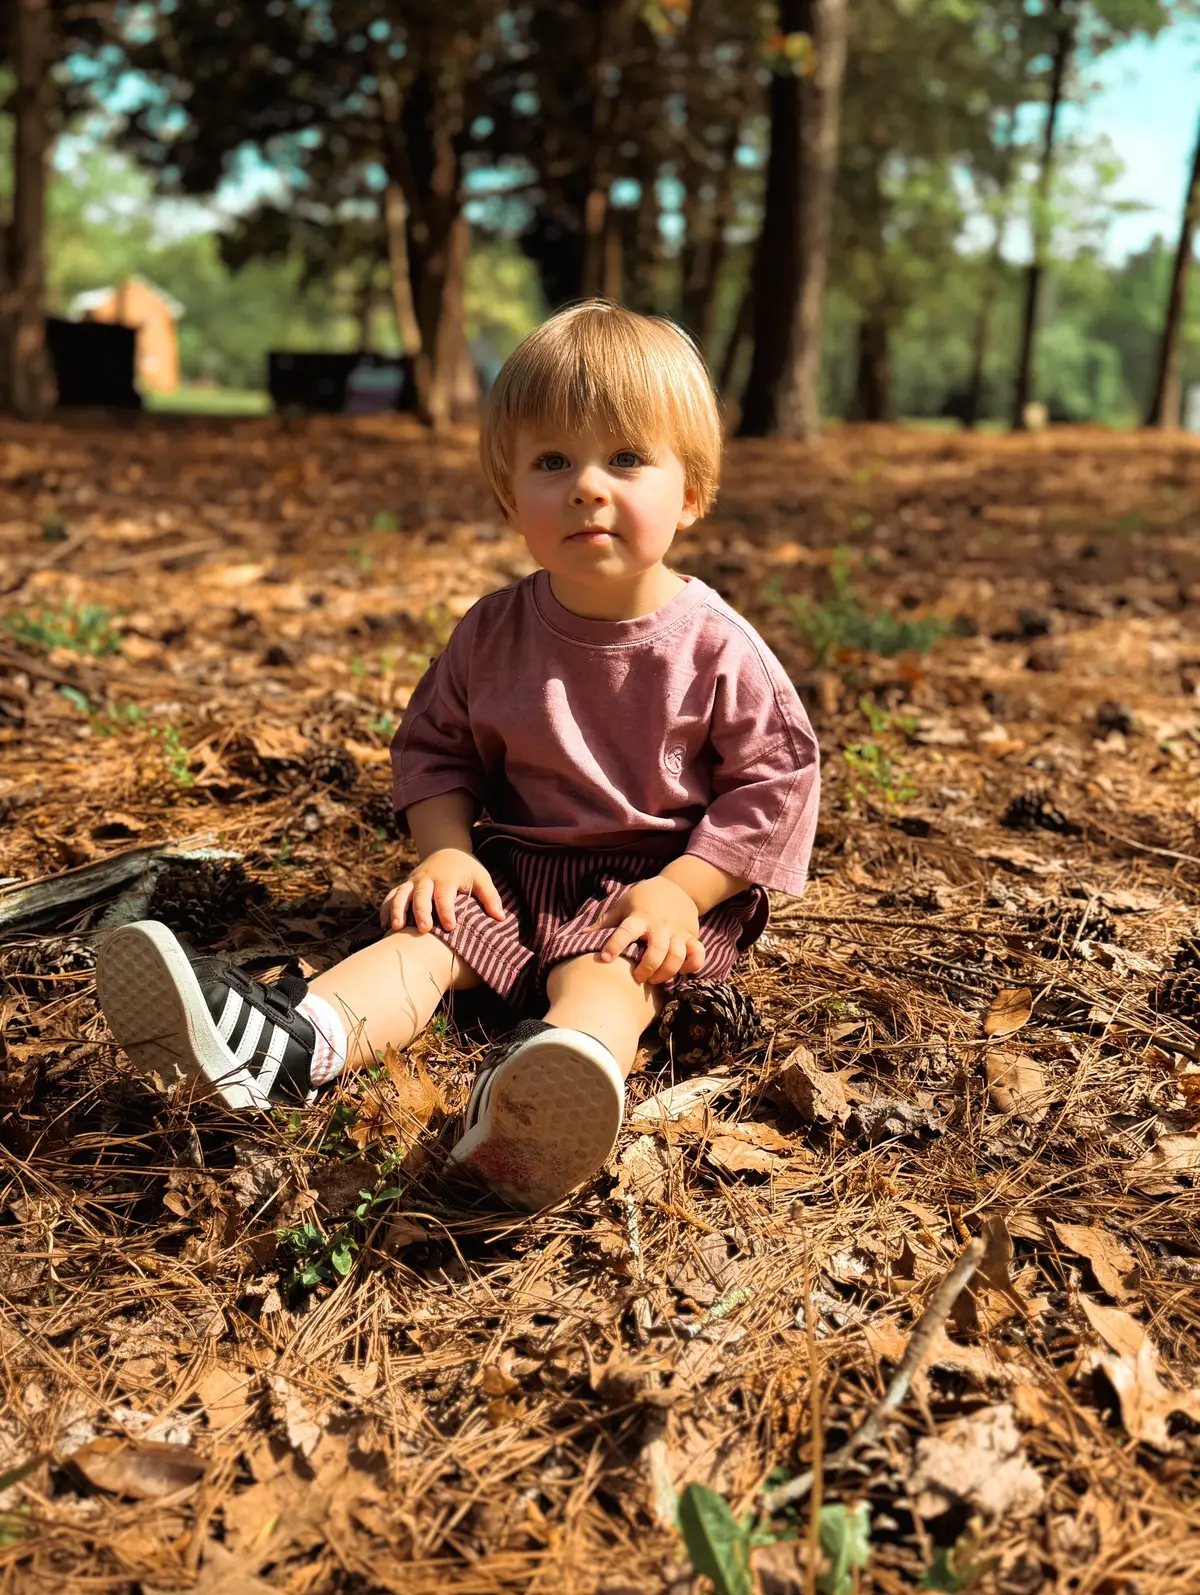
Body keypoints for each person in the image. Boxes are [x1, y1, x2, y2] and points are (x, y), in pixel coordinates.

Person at [97, 300, 820, 1211]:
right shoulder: (493, 632)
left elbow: (776, 782)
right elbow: (435, 749)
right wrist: (445, 849)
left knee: (610, 976)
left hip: (650, 888)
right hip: (512, 873)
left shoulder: (716, 647)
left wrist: (687, 889)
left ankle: (549, 1095)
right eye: (553, 462)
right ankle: (289, 1044)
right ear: (511, 495)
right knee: (423, 942)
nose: (588, 487)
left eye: (627, 458)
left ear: (692, 493)